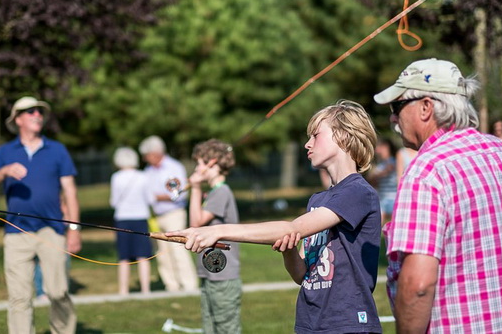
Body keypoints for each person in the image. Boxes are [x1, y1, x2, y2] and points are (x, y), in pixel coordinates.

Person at [169, 100, 382, 334]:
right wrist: (288, 249)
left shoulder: (358, 192)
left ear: (343, 135)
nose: (307, 144)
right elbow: (301, 274)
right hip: (310, 321)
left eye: (315, 135)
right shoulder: (318, 201)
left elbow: (292, 228)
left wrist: (216, 231)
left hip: (348, 323)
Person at [373, 58, 502, 333]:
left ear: (426, 107)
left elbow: (418, 287)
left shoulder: (425, 173)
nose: (392, 117)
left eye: (397, 106)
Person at [0, 96, 80, 334]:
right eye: (30, 111)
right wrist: (3, 172)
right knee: (19, 297)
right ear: (17, 119)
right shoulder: (5, 152)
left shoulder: (57, 150)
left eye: (40, 111)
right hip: (16, 232)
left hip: (52, 231)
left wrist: (73, 230)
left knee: (58, 292)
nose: (37, 114)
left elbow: (70, 192)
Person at [188, 139, 241, 334]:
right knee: (210, 327)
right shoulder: (214, 193)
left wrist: (194, 187)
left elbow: (196, 222)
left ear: (212, 164)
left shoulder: (222, 192)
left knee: (226, 328)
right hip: (211, 272)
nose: (196, 168)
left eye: (200, 163)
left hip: (222, 275)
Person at [139, 135, 198, 292]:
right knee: (162, 253)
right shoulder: (148, 171)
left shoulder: (173, 167)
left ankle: (188, 285)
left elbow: (180, 193)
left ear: (156, 153)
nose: (145, 159)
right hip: (156, 215)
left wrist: (157, 196)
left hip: (174, 213)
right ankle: (171, 285)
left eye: (147, 155)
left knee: (178, 250)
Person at [110, 146, 154, 295]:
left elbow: (114, 202)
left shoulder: (116, 177)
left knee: (124, 257)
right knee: (143, 256)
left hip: (122, 219)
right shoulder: (143, 176)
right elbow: (151, 199)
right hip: (140, 217)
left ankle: (123, 290)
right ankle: (146, 289)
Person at [367, 137, 398, 225]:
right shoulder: (380, 166)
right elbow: (371, 180)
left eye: (381, 148)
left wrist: (379, 174)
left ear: (387, 147)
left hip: (394, 198)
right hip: (383, 200)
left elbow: (390, 169)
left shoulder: (395, 161)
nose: (378, 151)